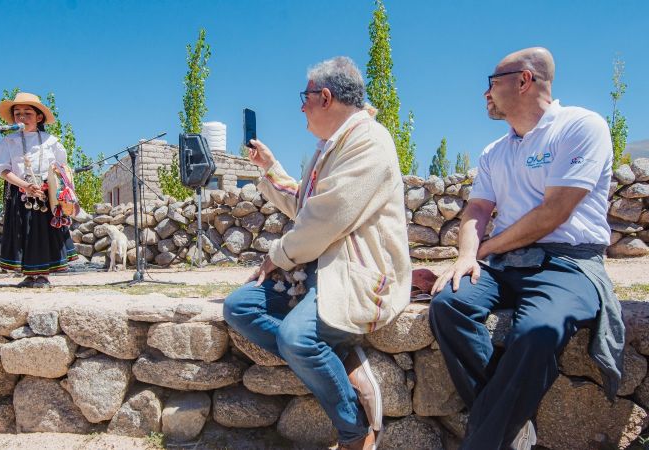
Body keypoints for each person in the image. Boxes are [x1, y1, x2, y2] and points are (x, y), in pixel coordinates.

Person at [429, 47, 624, 449]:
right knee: (448, 305)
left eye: (492, 82)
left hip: (567, 264)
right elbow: (478, 208)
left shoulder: (581, 126)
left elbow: (554, 212)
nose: (485, 93)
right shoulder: (493, 152)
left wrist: (484, 250)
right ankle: (513, 427)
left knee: (537, 331)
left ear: (524, 80)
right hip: (504, 264)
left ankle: (485, 440)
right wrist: (466, 256)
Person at [223, 57, 411, 450]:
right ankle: (342, 361)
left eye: (304, 98)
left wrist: (280, 253)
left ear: (325, 97)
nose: (301, 107)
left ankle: (356, 431)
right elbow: (308, 205)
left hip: (353, 273)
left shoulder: (370, 141)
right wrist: (271, 168)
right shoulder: (331, 147)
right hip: (317, 273)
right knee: (239, 307)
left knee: (296, 338)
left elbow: (329, 215)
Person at [0, 92, 77, 288]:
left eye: (27, 113)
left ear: (39, 117)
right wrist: (24, 185)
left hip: (45, 194)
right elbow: (2, 169)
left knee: (43, 232)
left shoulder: (51, 141)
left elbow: (61, 168)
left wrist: (49, 187)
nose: (21, 117)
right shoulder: (8, 141)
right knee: (24, 231)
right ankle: (29, 275)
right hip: (20, 191)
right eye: (17, 113)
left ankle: (44, 275)